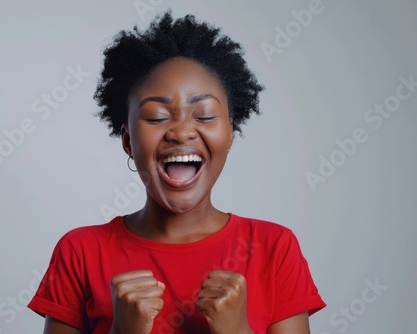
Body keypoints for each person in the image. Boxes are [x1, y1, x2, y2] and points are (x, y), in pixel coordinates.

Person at [28, 12, 325, 334]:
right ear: (128, 140)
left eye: (205, 116)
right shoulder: (80, 251)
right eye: (156, 117)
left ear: (230, 136)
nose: (182, 132)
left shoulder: (274, 247)